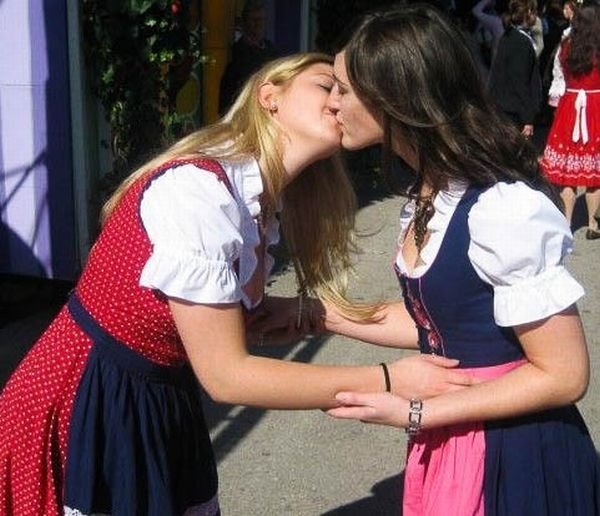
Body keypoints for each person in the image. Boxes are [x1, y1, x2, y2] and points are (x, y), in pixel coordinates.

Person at [0, 53, 473, 515]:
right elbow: (228, 376)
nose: (338, 101)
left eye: (348, 94)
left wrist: (285, 316)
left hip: (151, 397)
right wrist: (389, 380)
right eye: (326, 85)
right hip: (86, 401)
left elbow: (185, 323)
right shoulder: (200, 192)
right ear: (269, 95)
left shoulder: (255, 204)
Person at [267, 4, 598, 515]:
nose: (332, 104)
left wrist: (417, 410)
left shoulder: (502, 211)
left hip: (515, 452)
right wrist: (319, 314)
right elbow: (441, 322)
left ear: (395, 100)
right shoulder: (430, 194)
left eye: (343, 90)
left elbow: (564, 374)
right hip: (456, 434)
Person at [540, 3, 600, 239]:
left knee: (567, 173)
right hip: (595, 107)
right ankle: (593, 225)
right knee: (595, 171)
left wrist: (556, 108)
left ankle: (566, 223)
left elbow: (558, 79)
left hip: (570, 106)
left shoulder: (566, 45)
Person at [489, 0, 543, 139]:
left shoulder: (508, 36)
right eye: (534, 12)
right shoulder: (521, 42)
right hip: (514, 112)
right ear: (529, 13)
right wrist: (527, 118)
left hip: (505, 107)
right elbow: (520, 81)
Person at [218, 0, 280, 114]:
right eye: (254, 20)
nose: (258, 24)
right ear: (244, 23)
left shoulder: (272, 50)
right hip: (244, 111)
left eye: (261, 20)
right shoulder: (237, 52)